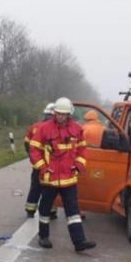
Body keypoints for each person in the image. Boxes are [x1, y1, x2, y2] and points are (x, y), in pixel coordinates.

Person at [29, 97, 96, 252]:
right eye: (58, 113)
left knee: (73, 212)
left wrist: (78, 165)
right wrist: (43, 167)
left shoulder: (77, 129)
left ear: (69, 114)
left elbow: (82, 150)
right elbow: (34, 149)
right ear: (54, 113)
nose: (60, 116)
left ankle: (79, 242)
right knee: (45, 210)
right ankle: (43, 237)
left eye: (63, 114)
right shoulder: (44, 128)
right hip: (49, 178)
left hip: (69, 179)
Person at [23, 103, 57, 218]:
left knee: (35, 188)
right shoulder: (56, 127)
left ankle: (30, 210)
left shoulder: (34, 126)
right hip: (52, 166)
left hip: (37, 164)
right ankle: (51, 211)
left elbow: (27, 143)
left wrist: (32, 157)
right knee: (51, 189)